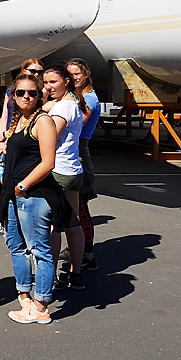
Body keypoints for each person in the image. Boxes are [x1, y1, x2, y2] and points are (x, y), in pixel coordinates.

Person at [0, 72, 76, 325]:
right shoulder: (19, 120)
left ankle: (41, 305)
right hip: (14, 194)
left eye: (32, 93)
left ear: (39, 95)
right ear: (13, 95)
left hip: (34, 195)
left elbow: (48, 162)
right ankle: (25, 297)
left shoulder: (42, 121)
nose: (26, 97)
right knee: (16, 245)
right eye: (20, 92)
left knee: (40, 250)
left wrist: (23, 185)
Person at [41, 63, 89, 290]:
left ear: (66, 81)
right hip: (72, 169)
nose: (48, 87)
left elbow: (49, 136)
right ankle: (76, 273)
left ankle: (47, 277)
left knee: (54, 225)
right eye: (45, 82)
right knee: (72, 221)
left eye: (53, 82)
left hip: (58, 170)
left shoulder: (62, 109)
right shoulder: (72, 103)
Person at [0, 58, 44, 238]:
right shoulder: (11, 92)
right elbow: (5, 115)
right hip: (11, 138)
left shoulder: (40, 93)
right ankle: (3, 221)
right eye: (31, 71)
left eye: (38, 72)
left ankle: (18, 223)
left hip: (27, 142)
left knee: (20, 184)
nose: (35, 74)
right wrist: (3, 137)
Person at [67, 58, 101, 271]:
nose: (73, 78)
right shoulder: (77, 97)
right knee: (73, 208)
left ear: (86, 73)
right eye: (69, 75)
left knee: (81, 206)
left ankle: (87, 254)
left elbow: (77, 123)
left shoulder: (89, 99)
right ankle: (77, 249)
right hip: (73, 150)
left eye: (77, 73)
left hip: (79, 152)